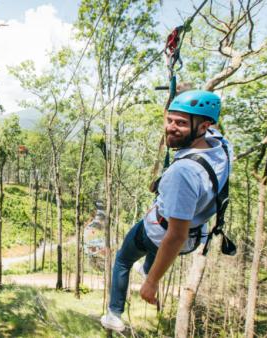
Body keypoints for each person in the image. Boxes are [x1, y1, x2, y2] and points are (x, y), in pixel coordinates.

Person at [101, 90, 233, 331]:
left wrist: (152, 282)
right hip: (195, 237)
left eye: (181, 123)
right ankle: (149, 266)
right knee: (152, 249)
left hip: (162, 234)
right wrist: (180, 92)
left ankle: (114, 313)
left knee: (122, 260)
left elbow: (175, 235)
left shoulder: (183, 172)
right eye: (170, 119)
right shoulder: (221, 146)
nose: (171, 127)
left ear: (203, 126)